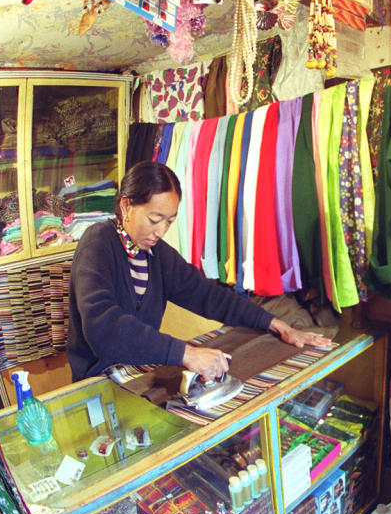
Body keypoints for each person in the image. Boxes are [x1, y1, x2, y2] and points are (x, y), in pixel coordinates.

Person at [67, 160, 332, 382]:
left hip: (137, 373)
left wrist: (276, 324)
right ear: (126, 206)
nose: (161, 231)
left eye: (169, 222)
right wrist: (186, 353)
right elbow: (104, 328)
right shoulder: (98, 242)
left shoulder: (156, 255)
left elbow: (208, 296)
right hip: (97, 382)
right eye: (154, 219)